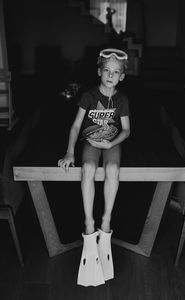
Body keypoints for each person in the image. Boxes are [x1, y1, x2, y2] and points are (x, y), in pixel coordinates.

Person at [58, 48, 130, 287]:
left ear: (121, 76)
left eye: (116, 72)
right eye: (106, 70)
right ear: (99, 72)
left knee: (112, 171)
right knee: (88, 167)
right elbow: (76, 126)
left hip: (110, 142)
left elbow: (127, 130)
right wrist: (69, 151)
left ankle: (106, 221)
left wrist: (112, 141)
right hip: (90, 141)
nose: (110, 75)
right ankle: (89, 224)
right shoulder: (88, 95)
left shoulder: (122, 99)